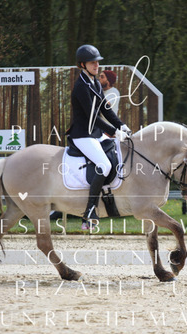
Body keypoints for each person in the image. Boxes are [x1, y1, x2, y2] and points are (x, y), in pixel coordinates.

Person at [68, 44, 131, 227]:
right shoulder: (81, 86)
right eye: (92, 62)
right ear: (82, 64)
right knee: (104, 165)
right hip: (83, 134)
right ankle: (89, 211)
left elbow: (105, 109)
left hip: (95, 133)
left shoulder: (94, 82)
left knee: (119, 153)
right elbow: (93, 117)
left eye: (97, 62)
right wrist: (114, 132)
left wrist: (122, 126)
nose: (96, 65)